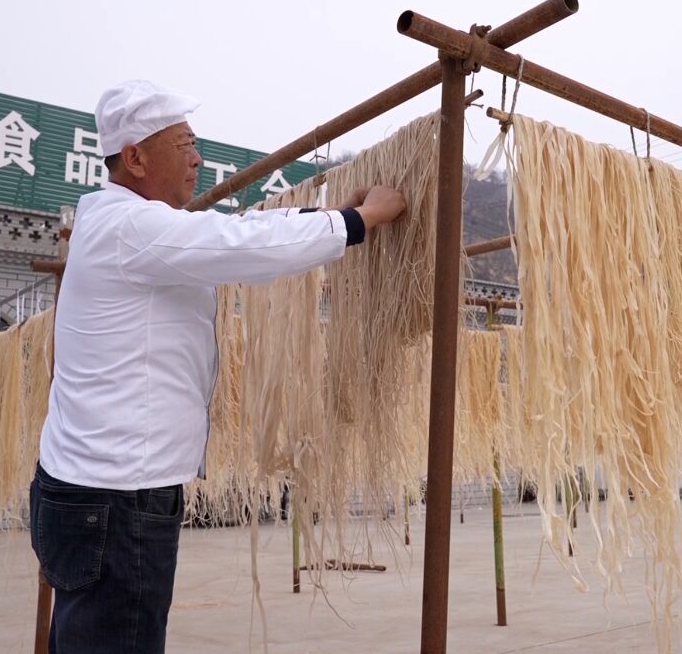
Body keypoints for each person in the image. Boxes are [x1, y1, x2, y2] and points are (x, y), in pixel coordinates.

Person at [29, 80, 405, 653]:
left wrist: (332, 214)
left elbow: (232, 237)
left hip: (96, 493)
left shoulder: (124, 226)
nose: (198, 159)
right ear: (134, 158)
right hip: (115, 499)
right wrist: (359, 222)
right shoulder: (132, 227)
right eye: (184, 145)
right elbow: (240, 244)